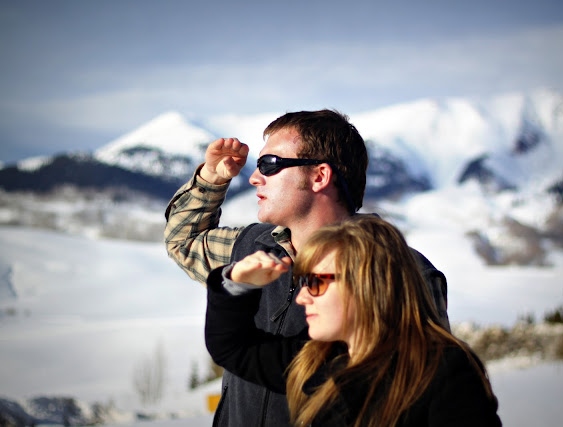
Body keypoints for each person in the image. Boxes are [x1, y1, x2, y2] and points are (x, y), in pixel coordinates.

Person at [164, 109, 450, 426]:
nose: (254, 178)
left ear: (319, 177)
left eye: (269, 164)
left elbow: (423, 397)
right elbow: (183, 240)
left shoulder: (399, 273)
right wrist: (211, 178)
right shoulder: (250, 248)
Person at [205, 215, 501, 426]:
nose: (302, 297)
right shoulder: (321, 359)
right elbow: (234, 348)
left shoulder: (440, 372)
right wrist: (237, 282)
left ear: (366, 283)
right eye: (302, 282)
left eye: (315, 282)